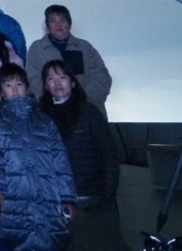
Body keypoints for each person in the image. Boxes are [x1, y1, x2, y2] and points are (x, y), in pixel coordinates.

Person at [0, 63, 75, 251]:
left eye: (19, 84)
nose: (15, 89)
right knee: (20, 238)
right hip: (15, 192)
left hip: (48, 193)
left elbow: (60, 158)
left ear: (27, 88)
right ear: (1, 92)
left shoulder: (44, 120)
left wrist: (67, 196)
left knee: (51, 238)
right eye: (8, 85)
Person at [39, 60, 127, 250]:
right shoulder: (41, 117)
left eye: (63, 77)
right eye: (51, 79)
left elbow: (110, 155)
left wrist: (107, 197)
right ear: (46, 86)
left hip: (91, 199)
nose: (57, 83)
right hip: (57, 203)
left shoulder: (89, 112)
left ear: (72, 82)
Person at [26, 5, 112, 117]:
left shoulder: (85, 47)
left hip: (88, 114)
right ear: (47, 25)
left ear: (69, 24)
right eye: (53, 21)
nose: (58, 24)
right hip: (52, 115)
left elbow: (102, 77)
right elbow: (33, 80)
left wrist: (83, 99)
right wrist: (51, 104)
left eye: (63, 20)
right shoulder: (37, 48)